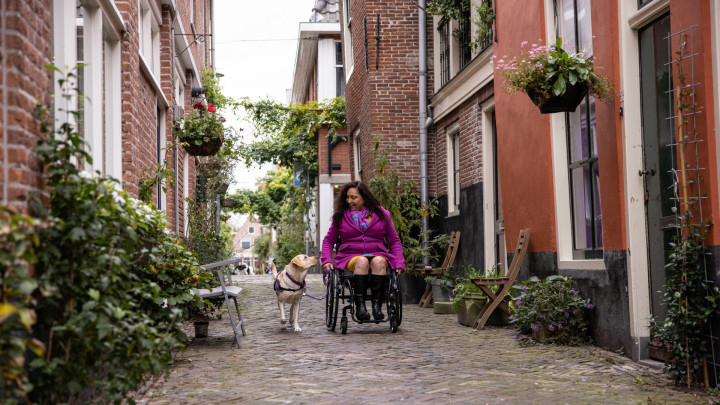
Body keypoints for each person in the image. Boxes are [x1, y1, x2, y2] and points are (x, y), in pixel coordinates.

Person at [321, 181, 405, 321]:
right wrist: (326, 260)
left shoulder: (382, 214)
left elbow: (394, 241)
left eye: (353, 197)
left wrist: (399, 262)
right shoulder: (341, 216)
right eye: (347, 197)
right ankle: (360, 307)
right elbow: (329, 240)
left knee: (378, 261)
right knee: (362, 261)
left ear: (364, 197)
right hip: (350, 256)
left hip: (378, 253)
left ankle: (377, 307)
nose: (349, 201)